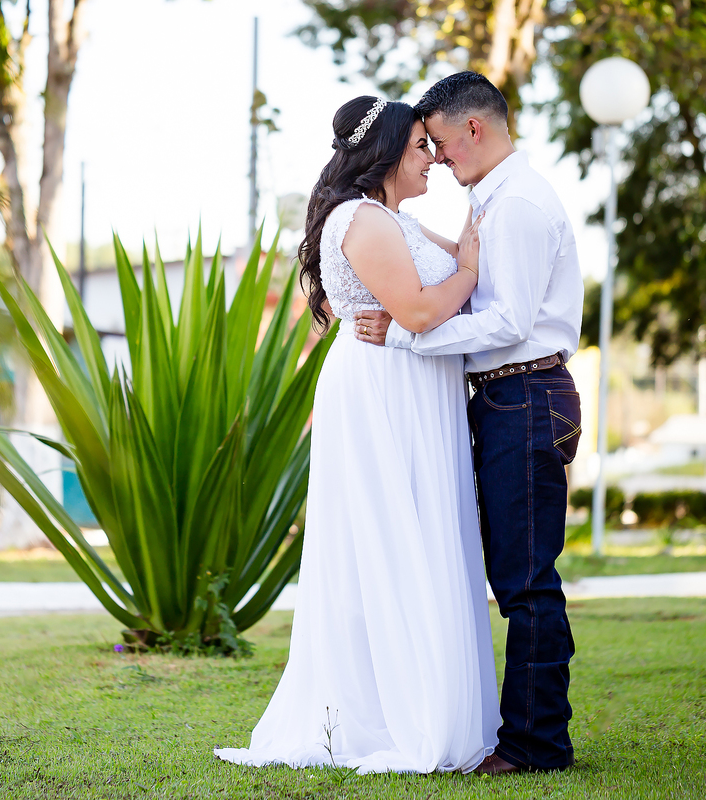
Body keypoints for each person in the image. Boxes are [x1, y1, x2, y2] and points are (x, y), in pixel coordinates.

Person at [214, 94, 500, 775]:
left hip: (412, 387)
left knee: (422, 534)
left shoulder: (394, 219)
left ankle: (424, 699)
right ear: (387, 154)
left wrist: (465, 258)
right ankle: (394, 714)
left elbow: (454, 264)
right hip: (384, 393)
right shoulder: (365, 221)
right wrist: (466, 269)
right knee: (393, 537)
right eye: (419, 149)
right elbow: (424, 310)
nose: (431, 159)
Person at [354, 71, 584, 775]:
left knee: (525, 579)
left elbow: (510, 321)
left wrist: (406, 334)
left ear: (474, 129)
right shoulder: (495, 199)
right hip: (509, 397)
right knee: (515, 573)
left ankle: (535, 746)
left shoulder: (514, 206)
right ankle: (526, 735)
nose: (441, 159)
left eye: (442, 142)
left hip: (524, 393)